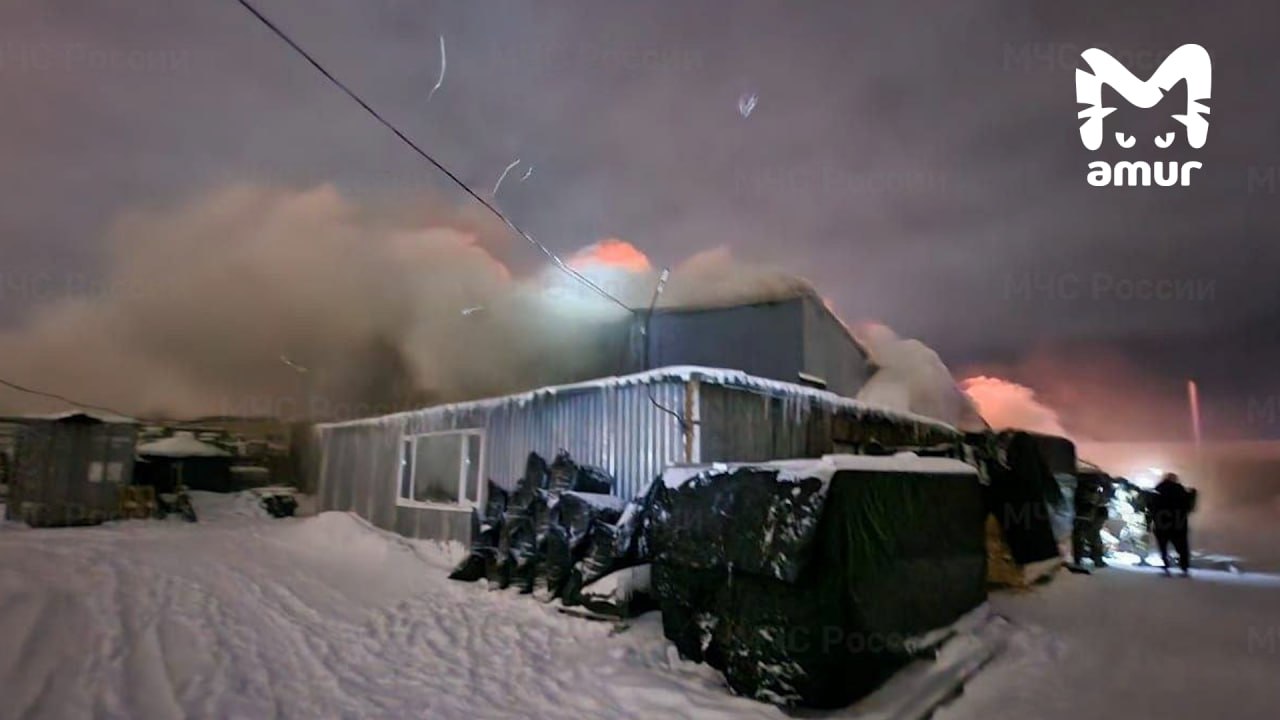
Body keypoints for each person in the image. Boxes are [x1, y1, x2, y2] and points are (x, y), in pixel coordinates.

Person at [1147, 472, 1197, 576]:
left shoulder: (1158, 490)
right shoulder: (1180, 490)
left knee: (1163, 545)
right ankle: (1184, 568)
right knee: (1181, 546)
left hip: (1161, 521)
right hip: (1178, 521)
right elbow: (1188, 507)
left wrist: (1149, 522)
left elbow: (1151, 507)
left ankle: (1166, 566)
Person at [1071, 473, 1114, 571]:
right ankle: (1095, 559)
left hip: (1084, 513)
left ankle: (1079, 560)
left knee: (1081, 536)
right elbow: (1104, 498)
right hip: (1089, 513)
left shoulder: (1082, 485)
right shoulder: (1098, 486)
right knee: (1091, 536)